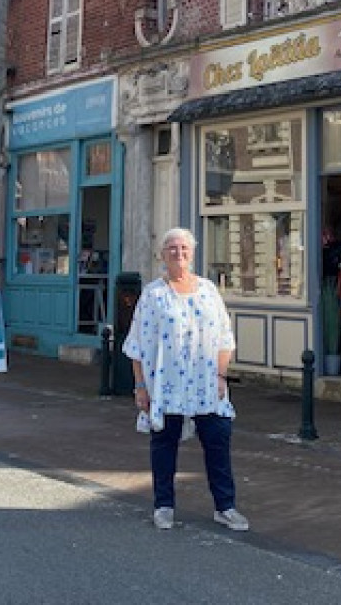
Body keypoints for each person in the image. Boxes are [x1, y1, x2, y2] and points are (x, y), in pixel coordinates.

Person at [124, 227, 250, 533]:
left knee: (218, 441)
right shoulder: (153, 295)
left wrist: (221, 375)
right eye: (172, 248)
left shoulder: (208, 290)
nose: (178, 253)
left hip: (206, 383)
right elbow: (137, 343)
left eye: (184, 248)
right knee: (164, 443)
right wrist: (140, 385)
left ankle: (225, 506)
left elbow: (224, 336)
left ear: (192, 254)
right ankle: (164, 505)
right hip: (167, 384)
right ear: (162, 255)